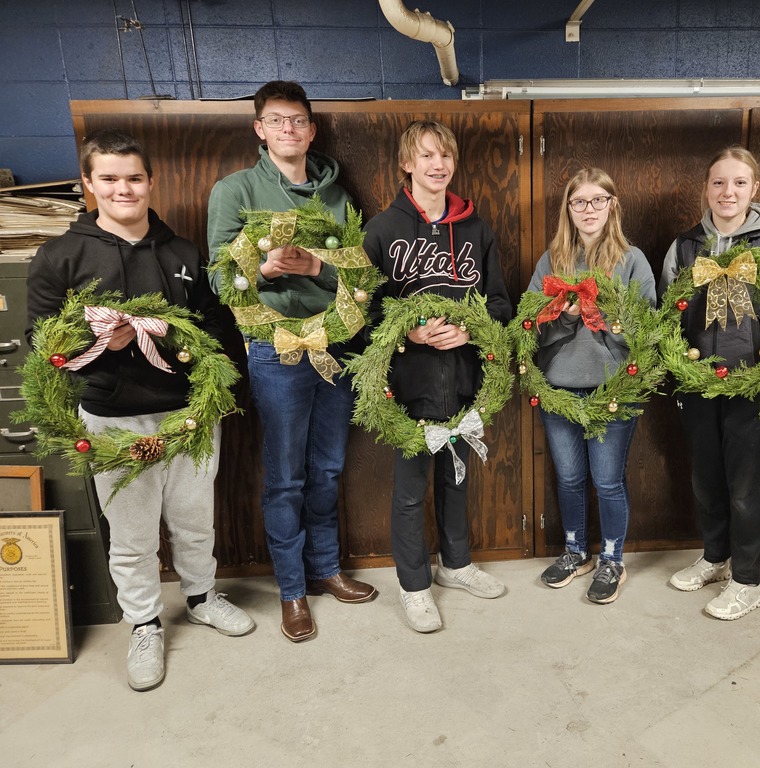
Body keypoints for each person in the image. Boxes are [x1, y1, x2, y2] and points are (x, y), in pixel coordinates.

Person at [27, 129, 255, 691]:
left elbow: (215, 327)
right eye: (108, 178)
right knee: (130, 533)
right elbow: (42, 343)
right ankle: (145, 623)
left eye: (133, 178)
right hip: (111, 419)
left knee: (194, 519)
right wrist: (105, 341)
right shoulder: (60, 257)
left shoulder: (181, 253)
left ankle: (201, 596)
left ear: (150, 182)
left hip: (187, 416)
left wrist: (228, 389)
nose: (122, 189)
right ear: (88, 183)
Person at [207, 81, 376, 644]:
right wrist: (264, 269)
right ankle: (290, 591)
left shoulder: (338, 198)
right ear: (259, 129)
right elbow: (217, 278)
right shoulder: (234, 191)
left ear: (311, 128)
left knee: (327, 469)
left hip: (336, 347)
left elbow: (357, 275)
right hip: (275, 352)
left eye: (297, 121)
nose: (287, 130)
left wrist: (315, 270)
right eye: (276, 121)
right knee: (285, 477)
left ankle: (325, 570)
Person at [362, 120, 512, 633]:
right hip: (407, 385)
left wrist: (471, 332)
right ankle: (413, 586)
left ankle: (456, 564)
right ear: (408, 163)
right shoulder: (382, 229)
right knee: (409, 491)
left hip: (466, 381)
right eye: (426, 155)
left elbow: (498, 302)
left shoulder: (476, 228)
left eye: (445, 155)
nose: (437, 165)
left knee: (456, 480)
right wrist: (413, 335)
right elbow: (365, 312)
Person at [660, 146, 760, 620]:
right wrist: (678, 363)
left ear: (754, 190)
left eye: (739, 183)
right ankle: (715, 556)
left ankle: (749, 580)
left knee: (747, 486)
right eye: (719, 183)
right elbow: (666, 310)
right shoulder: (686, 246)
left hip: (756, 384)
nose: (728, 192)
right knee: (706, 478)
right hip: (699, 382)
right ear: (706, 188)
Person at [532, 168, 656, 604]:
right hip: (559, 389)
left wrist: (603, 321)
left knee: (607, 480)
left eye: (597, 200)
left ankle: (611, 559)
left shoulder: (632, 260)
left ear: (612, 205)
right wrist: (563, 320)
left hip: (614, 392)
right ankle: (574, 551)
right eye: (579, 201)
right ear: (568, 208)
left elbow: (646, 333)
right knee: (568, 478)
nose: (588, 210)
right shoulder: (551, 262)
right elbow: (530, 331)